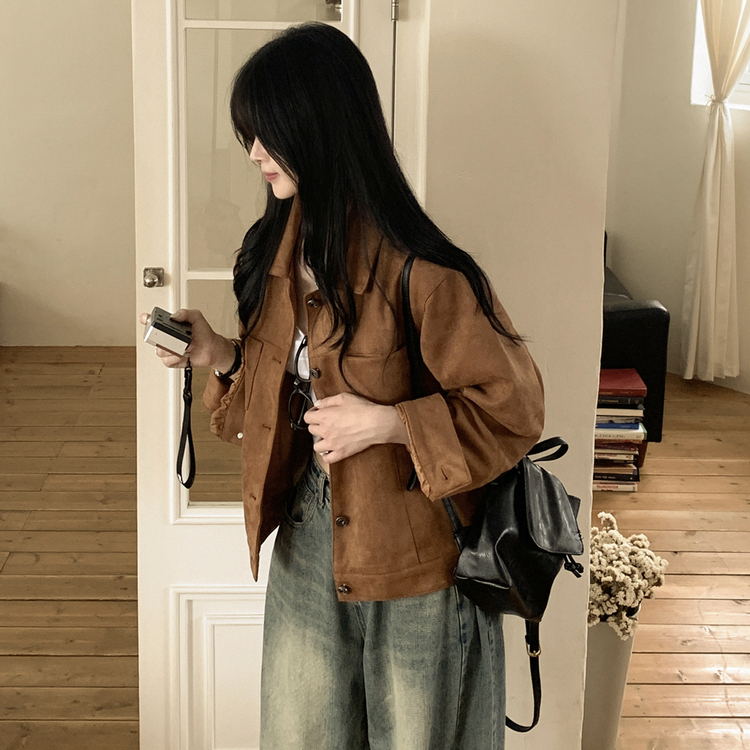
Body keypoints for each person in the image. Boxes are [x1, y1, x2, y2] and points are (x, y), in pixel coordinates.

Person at [142, 22, 544, 750]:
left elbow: (511, 410)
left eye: (267, 132)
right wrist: (219, 354)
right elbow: (275, 401)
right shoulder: (273, 255)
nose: (254, 152)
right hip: (307, 542)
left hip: (418, 559)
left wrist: (388, 423)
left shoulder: (426, 271)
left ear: (321, 126)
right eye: (248, 134)